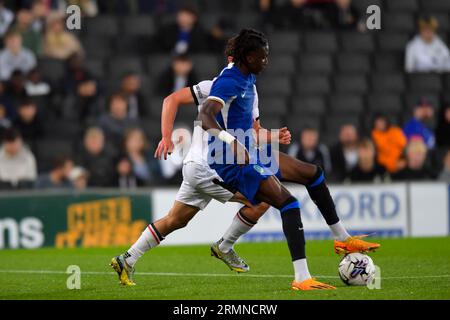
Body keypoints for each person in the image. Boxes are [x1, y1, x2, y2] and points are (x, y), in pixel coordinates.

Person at [111, 30, 378, 290]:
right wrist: (167, 136)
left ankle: (128, 259)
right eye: (258, 56)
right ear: (242, 57)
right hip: (210, 163)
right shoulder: (214, 85)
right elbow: (176, 102)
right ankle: (228, 247)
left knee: (176, 219)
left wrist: (274, 136)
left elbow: (252, 133)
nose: (263, 61)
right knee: (271, 198)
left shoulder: (249, 86)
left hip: (207, 163)